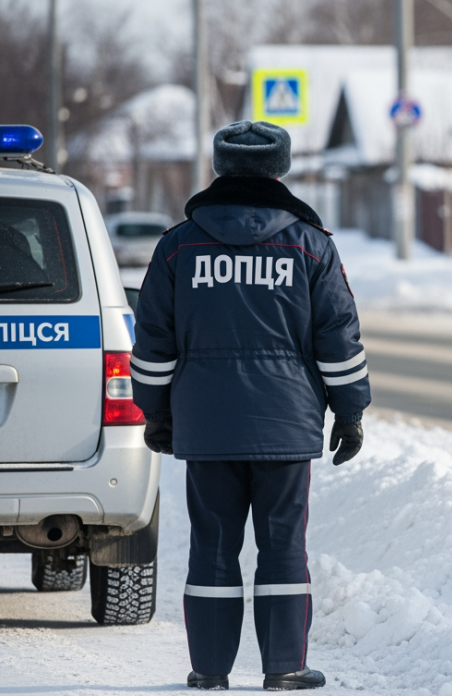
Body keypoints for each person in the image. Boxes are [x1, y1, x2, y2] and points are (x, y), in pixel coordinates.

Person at [131, 120, 370, 691]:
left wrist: (155, 411)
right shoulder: (310, 244)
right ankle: (285, 667)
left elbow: (153, 339)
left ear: (220, 168)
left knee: (213, 544)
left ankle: (209, 670)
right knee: (283, 544)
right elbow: (339, 336)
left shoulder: (178, 245)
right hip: (285, 423)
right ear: (280, 171)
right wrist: (350, 410)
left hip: (206, 425)